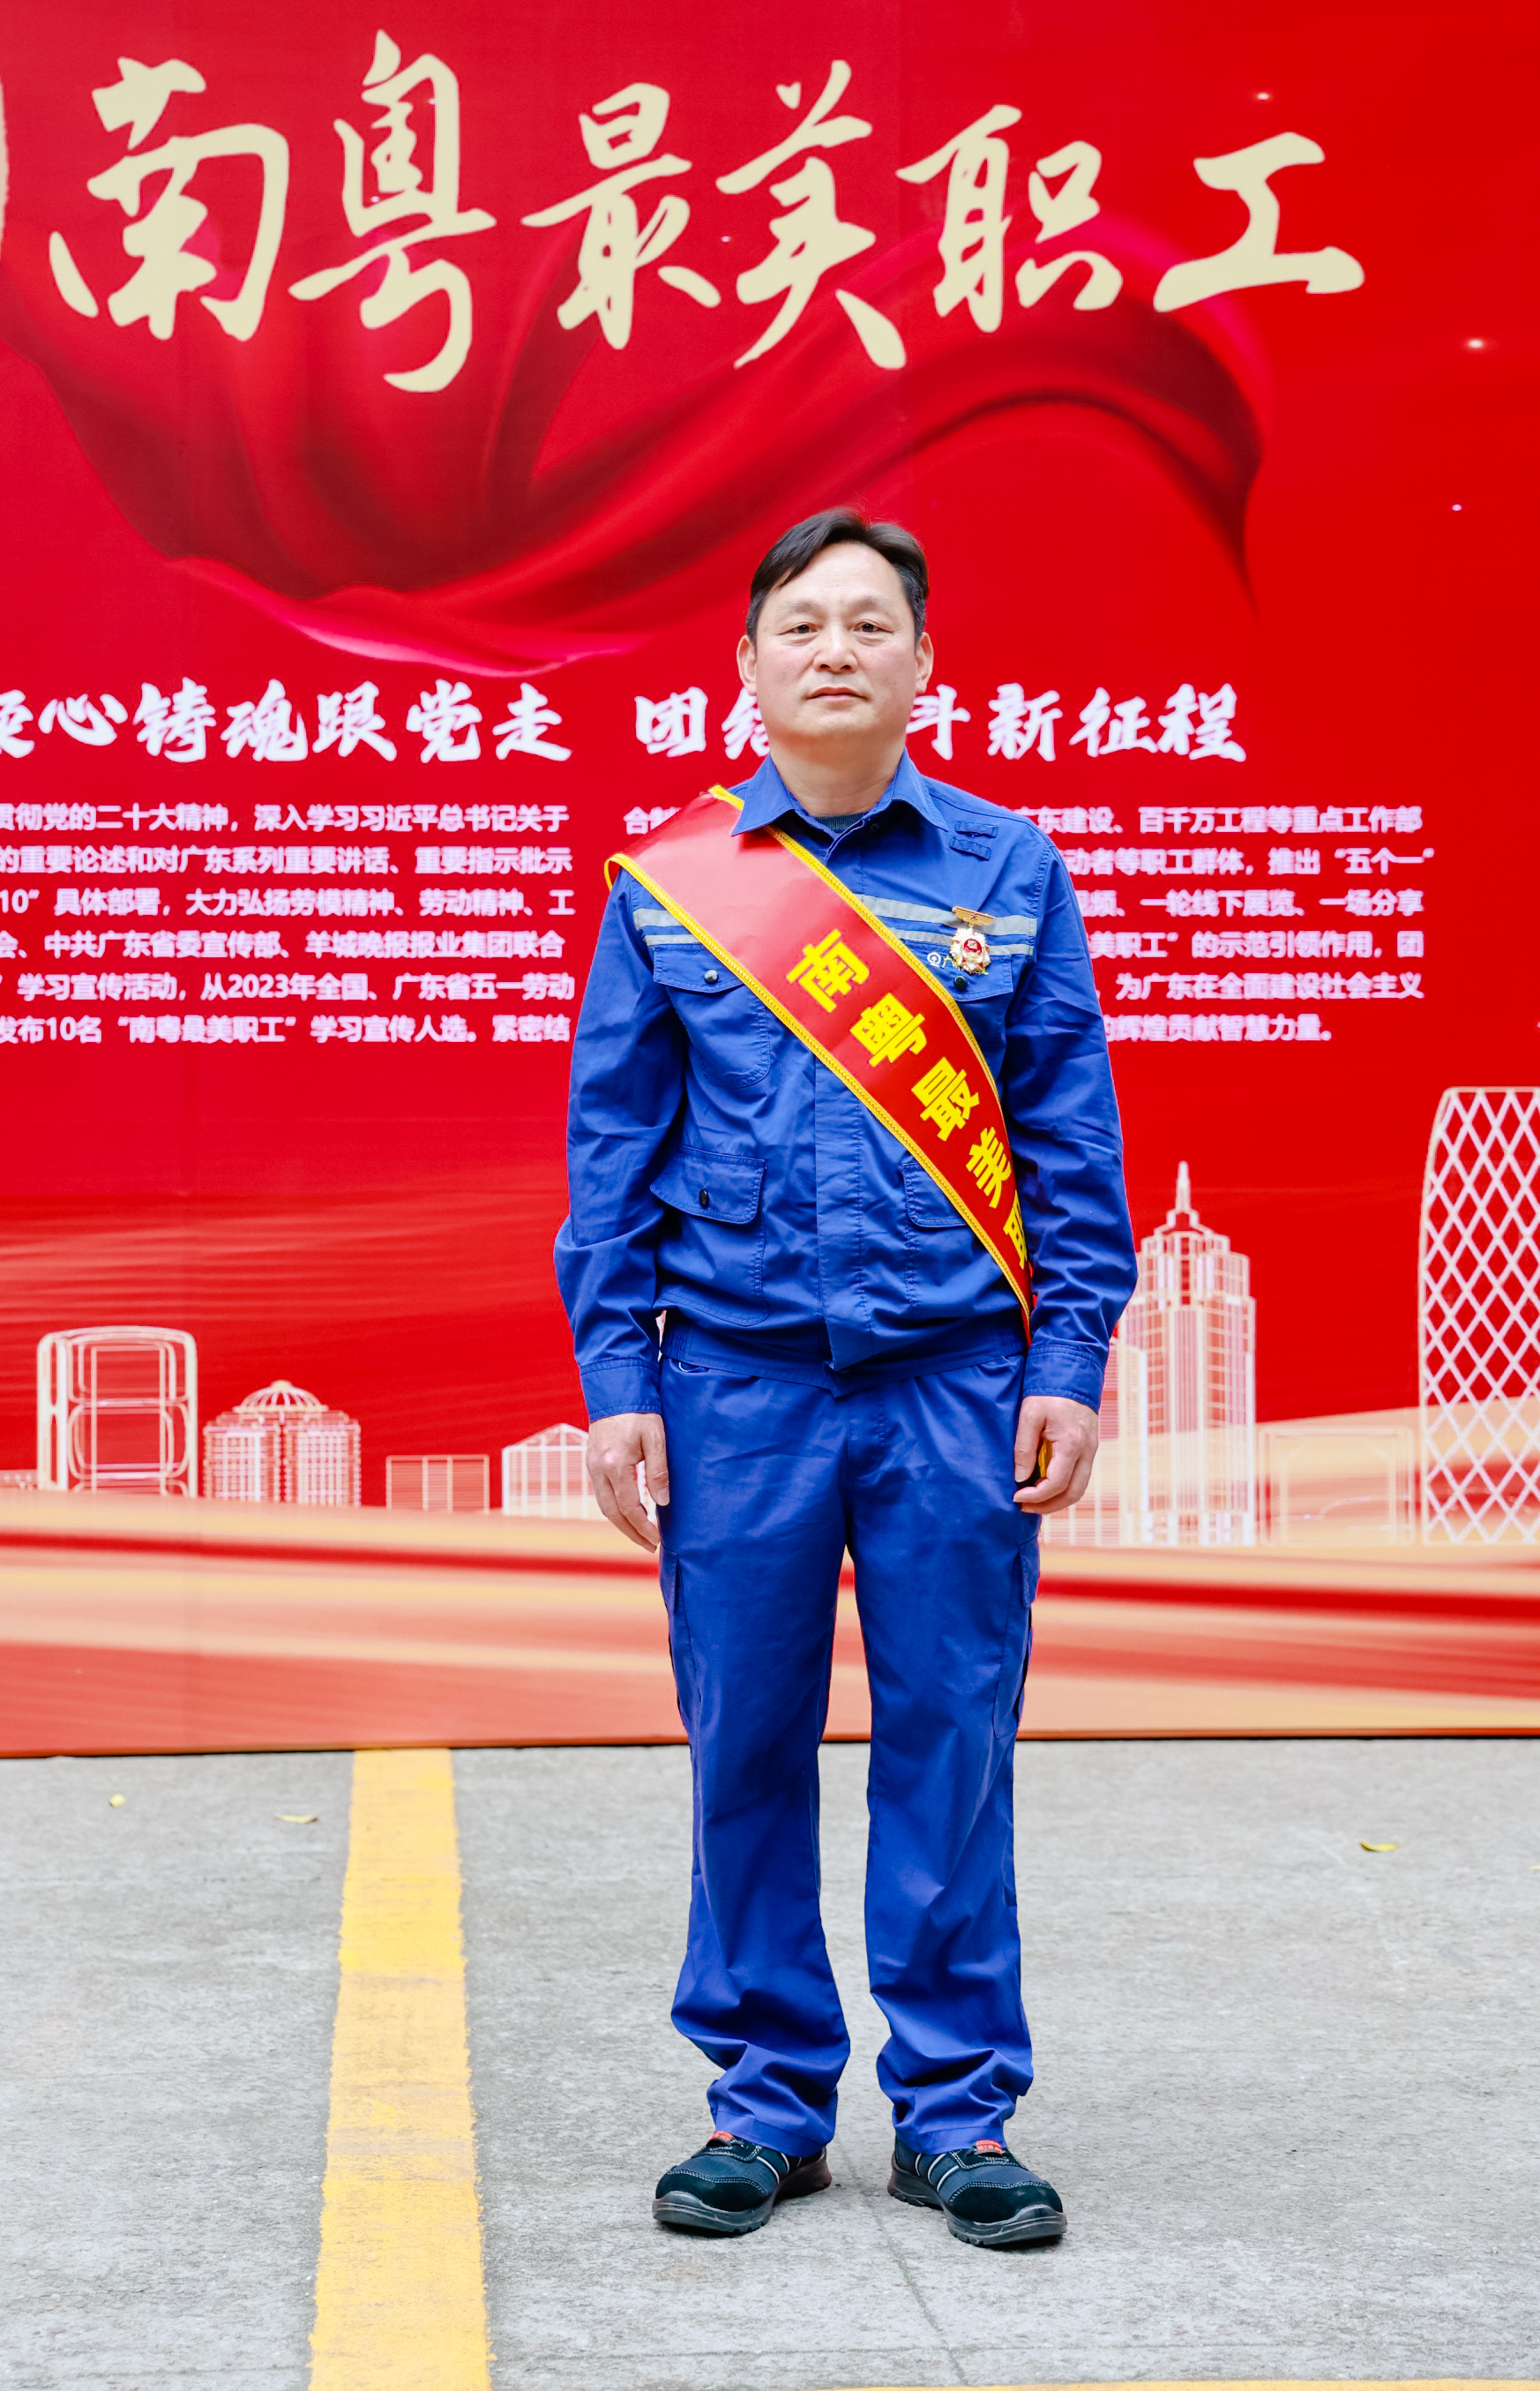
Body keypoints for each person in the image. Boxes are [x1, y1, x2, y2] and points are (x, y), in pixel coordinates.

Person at [555, 507, 1135, 2249]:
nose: (834, 649)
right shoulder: (673, 885)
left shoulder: (1007, 873)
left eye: (870, 624)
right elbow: (611, 1149)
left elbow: (1067, 1135)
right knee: (743, 1735)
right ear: (744, 668)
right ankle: (764, 2102)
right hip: (735, 1385)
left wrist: (1068, 1356)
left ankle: (958, 2114)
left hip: (954, 1379)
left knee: (952, 1738)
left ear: (923, 666)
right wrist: (616, 1375)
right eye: (800, 624)